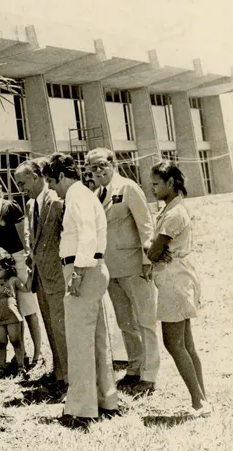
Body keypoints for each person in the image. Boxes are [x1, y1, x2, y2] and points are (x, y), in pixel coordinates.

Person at [42, 153, 118, 429]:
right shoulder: (82, 195)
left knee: (80, 342)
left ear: (62, 176)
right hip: (89, 268)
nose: (51, 188)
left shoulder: (77, 196)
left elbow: (87, 235)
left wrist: (77, 272)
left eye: (52, 181)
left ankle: (82, 409)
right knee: (96, 339)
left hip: (82, 268)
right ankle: (105, 400)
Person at [86, 147, 160, 397]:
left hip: (134, 265)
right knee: (125, 322)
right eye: (92, 167)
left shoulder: (127, 188)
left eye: (101, 165)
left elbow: (145, 225)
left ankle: (150, 374)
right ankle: (135, 366)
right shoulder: (96, 194)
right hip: (111, 268)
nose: (97, 171)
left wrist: (147, 259)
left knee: (146, 320)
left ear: (113, 164)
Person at [148, 160, 211, 417]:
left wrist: (149, 249)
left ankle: (198, 402)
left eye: (156, 184)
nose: (151, 189)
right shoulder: (173, 209)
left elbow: (153, 252)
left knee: (173, 343)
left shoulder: (174, 214)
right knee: (186, 343)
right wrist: (154, 249)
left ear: (170, 183)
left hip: (174, 280)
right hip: (178, 277)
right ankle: (203, 399)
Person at [0, 173, 43, 369]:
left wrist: (26, 262)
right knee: (9, 309)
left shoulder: (11, 207)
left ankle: (37, 353)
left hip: (18, 260)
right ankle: (20, 356)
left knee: (28, 308)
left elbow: (24, 236)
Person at [15, 158, 68, 391]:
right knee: (50, 326)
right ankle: (59, 372)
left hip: (57, 274)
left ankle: (69, 378)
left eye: (22, 182)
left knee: (61, 327)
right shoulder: (31, 205)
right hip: (41, 276)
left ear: (35, 177)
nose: (20, 188)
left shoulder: (56, 201)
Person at [0, 247, 28, 377]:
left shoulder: (12, 280)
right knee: (1, 343)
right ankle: (1, 366)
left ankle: (21, 366)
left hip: (11, 315)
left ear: (7, 269)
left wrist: (30, 273)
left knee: (16, 341)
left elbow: (26, 288)